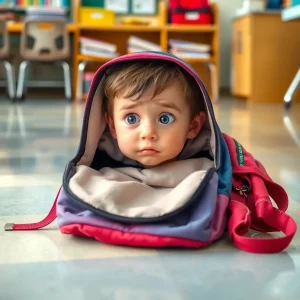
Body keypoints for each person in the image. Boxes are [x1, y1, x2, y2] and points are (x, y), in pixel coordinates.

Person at [101, 59, 207, 168]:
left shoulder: (210, 173)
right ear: (113, 126)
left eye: (165, 118)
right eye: (131, 119)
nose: (148, 133)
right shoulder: (95, 174)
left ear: (192, 126)